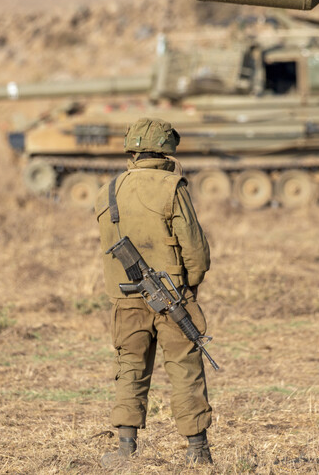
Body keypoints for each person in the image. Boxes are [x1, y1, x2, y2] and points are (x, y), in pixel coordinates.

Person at [94, 117, 213, 467]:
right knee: (185, 368)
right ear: (167, 148)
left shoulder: (109, 189)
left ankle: (125, 451)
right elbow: (196, 251)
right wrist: (189, 285)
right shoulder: (172, 187)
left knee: (129, 367)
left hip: (125, 300)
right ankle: (197, 451)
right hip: (172, 297)